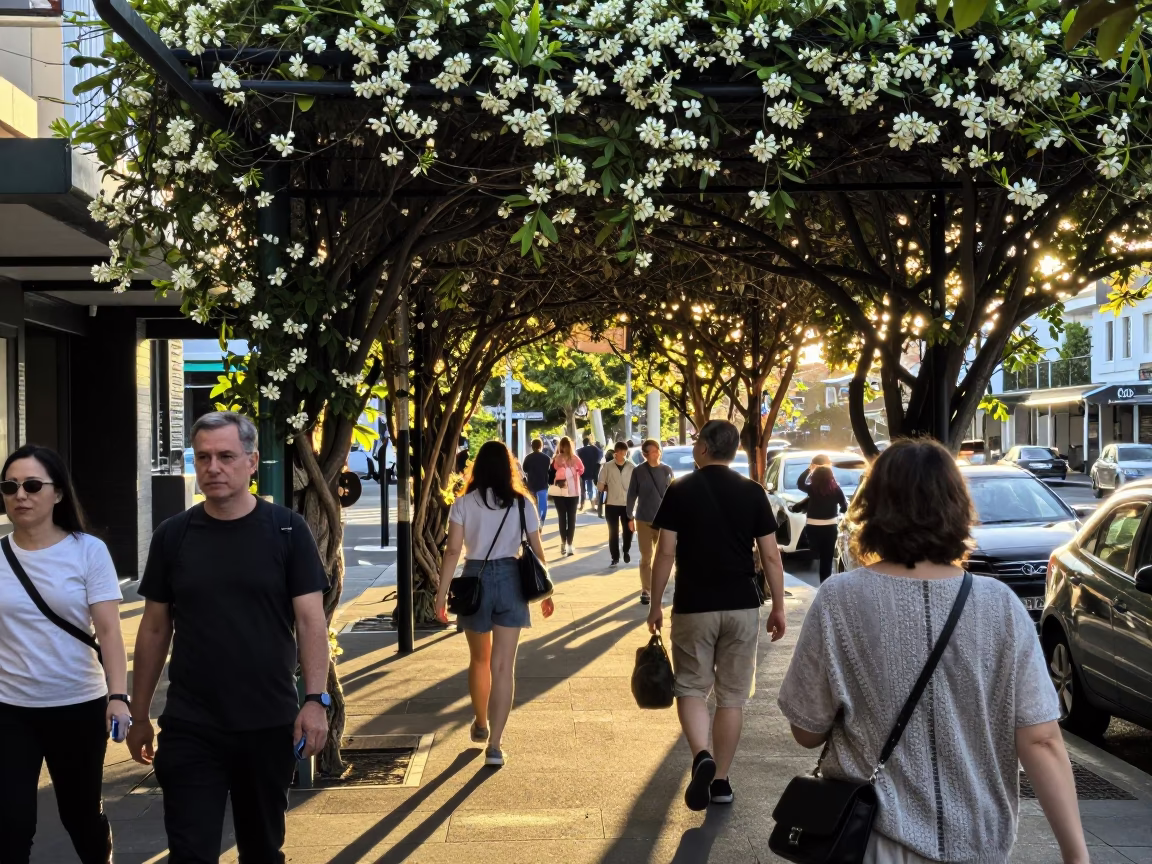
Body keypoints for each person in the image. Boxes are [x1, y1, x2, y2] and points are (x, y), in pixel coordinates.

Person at [778, 439, 1088, 864]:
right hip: (979, 844)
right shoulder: (1001, 607)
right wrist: (1076, 853)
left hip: (870, 842)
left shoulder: (839, 600)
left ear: (872, 508)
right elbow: (1041, 739)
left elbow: (806, 731)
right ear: (957, 508)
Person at [128, 412, 331, 864]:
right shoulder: (173, 535)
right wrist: (139, 712)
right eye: (203, 457)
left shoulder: (287, 531)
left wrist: (315, 700)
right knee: (191, 852)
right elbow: (155, 628)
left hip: (267, 722)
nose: (213, 467)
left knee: (261, 850)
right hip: (191, 724)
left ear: (252, 461)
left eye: (225, 456)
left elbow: (311, 622)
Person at [647, 420, 787, 811]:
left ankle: (701, 756)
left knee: (691, 687)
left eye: (696, 442)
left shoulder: (680, 490)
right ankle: (721, 781)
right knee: (732, 698)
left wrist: (656, 603)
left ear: (706, 448)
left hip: (694, 605)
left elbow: (666, 553)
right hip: (742, 603)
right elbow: (772, 556)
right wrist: (778, 605)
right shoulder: (753, 492)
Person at [0, 445, 129, 864]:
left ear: (57, 494)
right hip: (10, 709)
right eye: (10, 486)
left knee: (80, 817)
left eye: (33, 485)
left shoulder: (87, 550)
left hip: (77, 704)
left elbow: (109, 630)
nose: (21, 494)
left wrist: (118, 696)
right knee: (10, 824)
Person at [434, 441, 555, 767]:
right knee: (503, 666)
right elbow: (536, 549)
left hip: (474, 580)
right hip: (512, 580)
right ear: (509, 468)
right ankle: (496, 746)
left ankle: (481, 724)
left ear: (477, 468)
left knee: (479, 661)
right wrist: (546, 593)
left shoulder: (462, 504)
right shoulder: (523, 505)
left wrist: (441, 593)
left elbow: (452, 552)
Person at [627, 438, 675, 604]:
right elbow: (632, 494)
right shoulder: (638, 471)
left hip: (664, 521)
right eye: (653, 451)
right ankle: (646, 589)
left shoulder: (667, 470)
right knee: (646, 556)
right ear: (645, 455)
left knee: (664, 555)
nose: (656, 453)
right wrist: (629, 516)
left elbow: (673, 496)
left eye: (658, 450)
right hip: (644, 519)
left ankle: (660, 586)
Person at [794, 461, 848, 583]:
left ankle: (812, 553)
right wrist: (840, 509)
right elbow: (844, 506)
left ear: (814, 476)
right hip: (830, 527)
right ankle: (824, 583)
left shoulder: (812, 489)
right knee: (827, 559)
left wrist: (809, 469)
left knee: (815, 551)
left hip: (812, 527)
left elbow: (800, 483)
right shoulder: (836, 489)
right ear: (831, 476)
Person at [597, 442, 635, 567]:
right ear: (616, 453)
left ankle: (626, 550)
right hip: (612, 503)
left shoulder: (631, 466)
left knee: (628, 531)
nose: (623, 455)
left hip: (627, 504)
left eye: (625, 452)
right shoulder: (607, 466)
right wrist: (603, 487)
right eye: (621, 452)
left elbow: (637, 484)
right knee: (613, 532)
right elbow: (600, 484)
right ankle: (615, 557)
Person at [550, 436, 584, 557]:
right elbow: (581, 470)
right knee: (568, 518)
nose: (564, 448)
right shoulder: (573, 459)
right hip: (567, 492)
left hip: (567, 492)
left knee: (566, 518)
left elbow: (581, 470)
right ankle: (567, 544)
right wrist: (573, 473)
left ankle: (566, 543)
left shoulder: (558, 459)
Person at [522, 439, 551, 523]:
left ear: (532, 446)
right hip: (543, 484)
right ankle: (541, 521)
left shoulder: (528, 457)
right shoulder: (546, 458)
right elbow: (549, 471)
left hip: (531, 484)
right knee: (543, 506)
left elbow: (525, 469)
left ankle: (534, 522)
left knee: (532, 505)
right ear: (541, 446)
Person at [576, 437, 602, 511]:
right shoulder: (595, 449)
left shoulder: (580, 451)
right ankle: (593, 504)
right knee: (592, 488)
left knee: (582, 489)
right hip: (593, 471)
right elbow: (600, 456)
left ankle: (582, 504)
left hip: (583, 472)